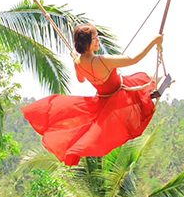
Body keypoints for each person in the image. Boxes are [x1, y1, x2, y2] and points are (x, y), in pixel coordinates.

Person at [21, 23, 163, 166]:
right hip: (119, 94)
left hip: (102, 100)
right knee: (144, 82)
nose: (98, 41)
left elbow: (81, 79)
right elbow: (134, 60)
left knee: (146, 81)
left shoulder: (79, 62)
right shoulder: (102, 60)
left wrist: (76, 60)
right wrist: (153, 41)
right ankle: (158, 86)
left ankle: (158, 84)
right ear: (87, 43)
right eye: (95, 38)